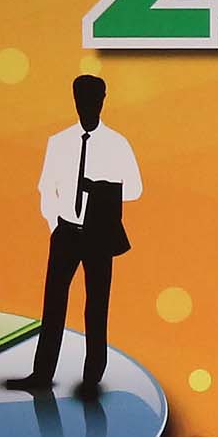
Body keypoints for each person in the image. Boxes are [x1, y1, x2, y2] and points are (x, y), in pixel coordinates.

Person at [8, 73, 140, 395]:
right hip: (66, 232)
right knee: (53, 305)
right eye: (81, 99)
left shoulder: (117, 144)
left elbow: (135, 188)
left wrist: (100, 188)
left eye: (92, 99)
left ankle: (92, 378)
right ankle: (42, 374)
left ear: (102, 100)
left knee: (97, 306)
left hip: (99, 235)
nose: (86, 106)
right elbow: (45, 186)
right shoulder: (59, 142)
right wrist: (55, 225)